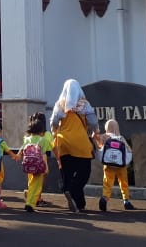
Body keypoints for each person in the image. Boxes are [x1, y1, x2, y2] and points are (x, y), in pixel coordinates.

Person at [51, 78, 98, 213]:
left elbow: (54, 121)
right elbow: (93, 122)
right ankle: (72, 190)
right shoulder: (84, 104)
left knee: (67, 172)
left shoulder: (60, 104)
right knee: (84, 173)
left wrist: (55, 132)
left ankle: (73, 196)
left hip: (63, 143)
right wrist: (95, 131)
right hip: (80, 143)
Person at [16, 112, 54, 211]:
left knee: (32, 183)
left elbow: (22, 149)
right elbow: (43, 154)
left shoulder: (27, 139)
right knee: (37, 186)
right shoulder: (43, 140)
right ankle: (30, 204)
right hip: (39, 166)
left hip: (28, 165)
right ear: (41, 130)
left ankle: (29, 199)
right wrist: (46, 167)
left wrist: (18, 155)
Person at [96, 118, 135, 212]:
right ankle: (126, 201)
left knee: (107, 182)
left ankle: (105, 198)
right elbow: (129, 150)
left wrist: (95, 136)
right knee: (123, 182)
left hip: (108, 164)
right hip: (121, 165)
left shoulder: (105, 136)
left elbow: (99, 145)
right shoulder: (121, 138)